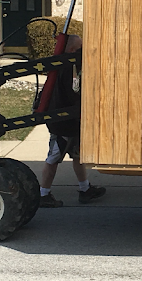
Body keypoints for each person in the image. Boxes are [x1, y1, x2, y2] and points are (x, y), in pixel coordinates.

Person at [39, 34, 106, 207]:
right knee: (54, 157)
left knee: (78, 156)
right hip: (62, 123)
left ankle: (85, 189)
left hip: (71, 121)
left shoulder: (65, 65)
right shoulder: (65, 68)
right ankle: (43, 194)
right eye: (79, 48)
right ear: (71, 50)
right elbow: (70, 93)